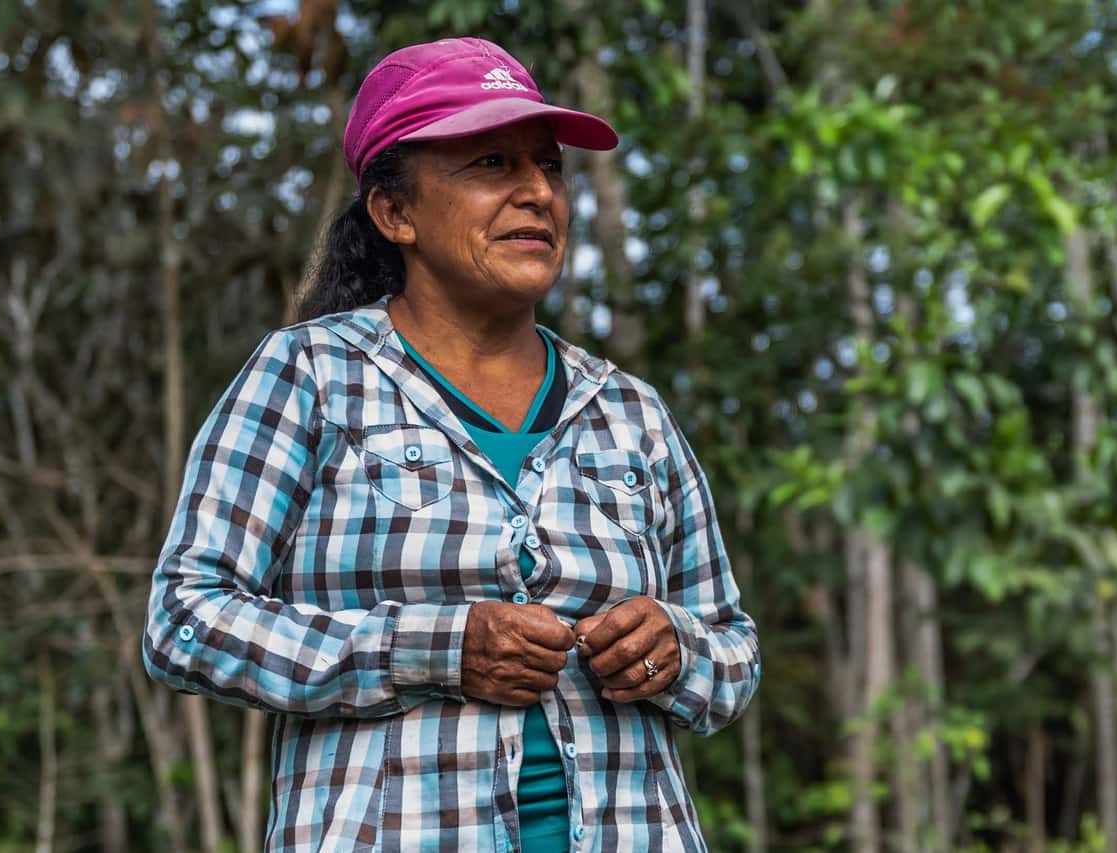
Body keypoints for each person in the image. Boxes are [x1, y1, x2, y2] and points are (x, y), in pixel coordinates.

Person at [143, 36, 760, 852]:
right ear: (395, 211)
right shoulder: (310, 376)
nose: (538, 192)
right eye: (493, 164)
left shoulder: (629, 411)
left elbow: (732, 647)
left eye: (548, 166)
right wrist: (434, 648)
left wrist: (674, 648)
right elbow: (186, 620)